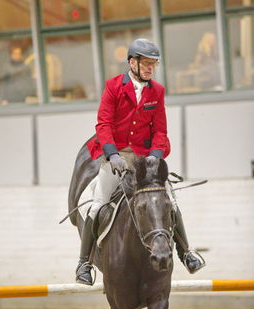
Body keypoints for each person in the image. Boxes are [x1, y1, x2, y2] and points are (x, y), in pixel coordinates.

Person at [76, 38, 205, 285]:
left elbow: (160, 132)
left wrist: (156, 157)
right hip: (117, 155)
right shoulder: (113, 86)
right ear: (132, 62)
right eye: (146, 63)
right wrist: (112, 154)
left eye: (153, 64)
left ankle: (186, 252)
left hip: (145, 158)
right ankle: (85, 263)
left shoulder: (157, 91)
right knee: (98, 203)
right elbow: (103, 124)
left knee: (170, 199)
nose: (150, 68)